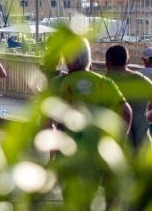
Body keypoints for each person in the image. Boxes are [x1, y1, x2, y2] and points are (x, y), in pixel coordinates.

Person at [44, 36, 131, 209]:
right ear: (88, 59)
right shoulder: (104, 82)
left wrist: (52, 154)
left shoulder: (56, 84)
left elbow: (47, 123)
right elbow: (126, 112)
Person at [105, 45, 152, 151]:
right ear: (127, 60)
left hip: (116, 148)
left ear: (107, 61)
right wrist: (143, 121)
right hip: (143, 144)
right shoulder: (142, 80)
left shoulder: (103, 83)